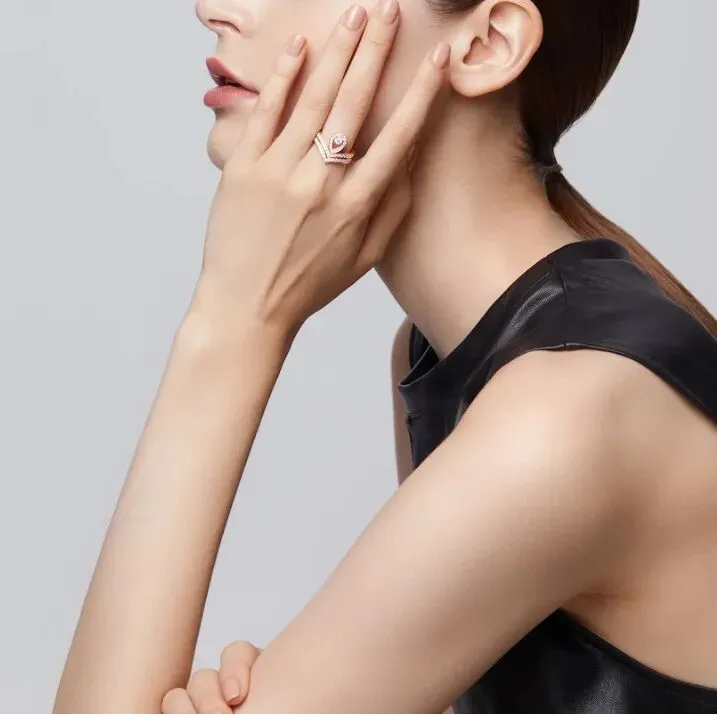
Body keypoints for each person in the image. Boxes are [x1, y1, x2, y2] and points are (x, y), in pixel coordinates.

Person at [52, 0, 717, 713]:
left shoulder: (563, 414)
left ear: (487, 44)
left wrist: (233, 321)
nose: (215, 8)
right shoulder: (439, 348)